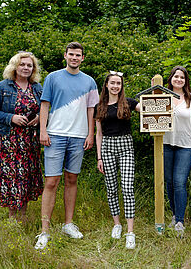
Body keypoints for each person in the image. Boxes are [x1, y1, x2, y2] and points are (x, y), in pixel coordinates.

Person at [34, 42, 99, 250]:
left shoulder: (90, 82)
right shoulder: (53, 77)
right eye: (71, 54)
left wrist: (91, 133)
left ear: (82, 58)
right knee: (51, 182)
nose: (74, 58)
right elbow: (44, 105)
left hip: (79, 137)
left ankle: (68, 224)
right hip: (55, 135)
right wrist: (43, 131)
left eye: (78, 55)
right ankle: (44, 231)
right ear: (65, 56)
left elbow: (91, 110)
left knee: (72, 179)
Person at [0, 51, 44, 222]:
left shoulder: (37, 88)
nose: (26, 68)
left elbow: (45, 109)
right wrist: (11, 118)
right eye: (22, 64)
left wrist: (40, 118)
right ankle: (12, 218)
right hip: (7, 142)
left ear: (33, 69)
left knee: (25, 177)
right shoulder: (3, 87)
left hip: (29, 142)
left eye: (29, 65)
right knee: (12, 178)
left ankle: (23, 216)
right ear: (15, 66)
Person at [95, 71, 140, 249]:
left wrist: (155, 96)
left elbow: (147, 109)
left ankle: (130, 232)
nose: (115, 86)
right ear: (106, 85)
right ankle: (117, 224)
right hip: (107, 146)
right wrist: (99, 156)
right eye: (112, 83)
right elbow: (98, 134)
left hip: (126, 146)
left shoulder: (128, 102)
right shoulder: (100, 106)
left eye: (118, 83)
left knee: (127, 187)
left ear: (121, 86)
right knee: (111, 187)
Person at [163, 66, 191, 235]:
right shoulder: (163, 96)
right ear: (171, 78)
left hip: (186, 146)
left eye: (182, 77)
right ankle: (173, 215)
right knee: (169, 182)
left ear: (186, 81)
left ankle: (180, 220)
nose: (179, 79)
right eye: (176, 76)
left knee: (180, 182)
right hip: (165, 144)